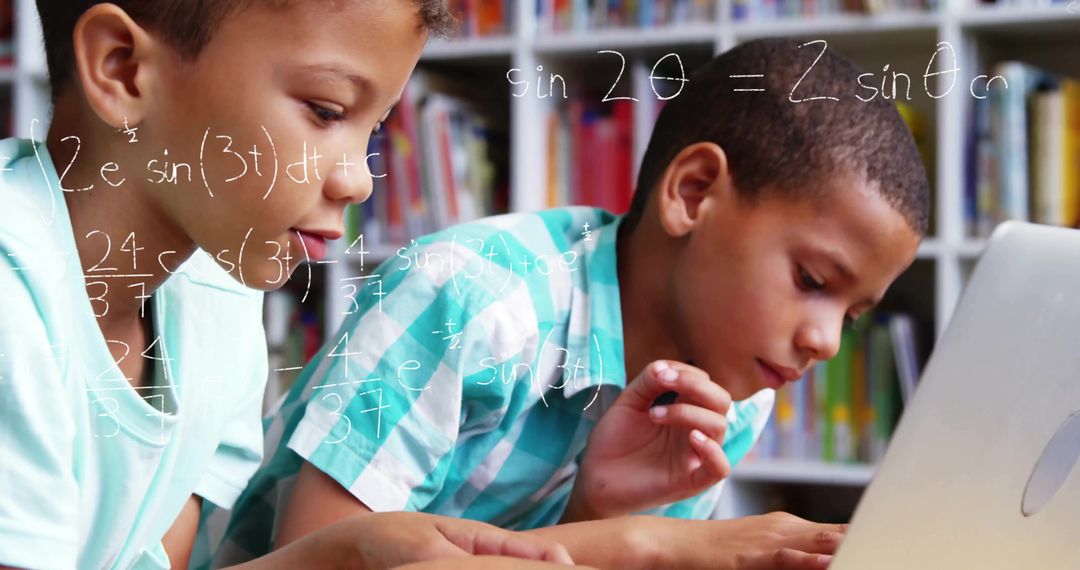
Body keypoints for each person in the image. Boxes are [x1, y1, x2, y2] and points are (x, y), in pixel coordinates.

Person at [211, 37, 928, 569]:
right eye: (812, 280)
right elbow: (323, 558)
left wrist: (598, 515)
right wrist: (647, 544)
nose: (826, 342)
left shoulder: (734, 397)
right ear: (693, 194)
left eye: (853, 316)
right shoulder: (470, 298)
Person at [0, 1, 578, 568]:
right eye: (327, 111)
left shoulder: (217, 298)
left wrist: (345, 554)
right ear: (122, 68)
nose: (359, 183)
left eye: (374, 128)